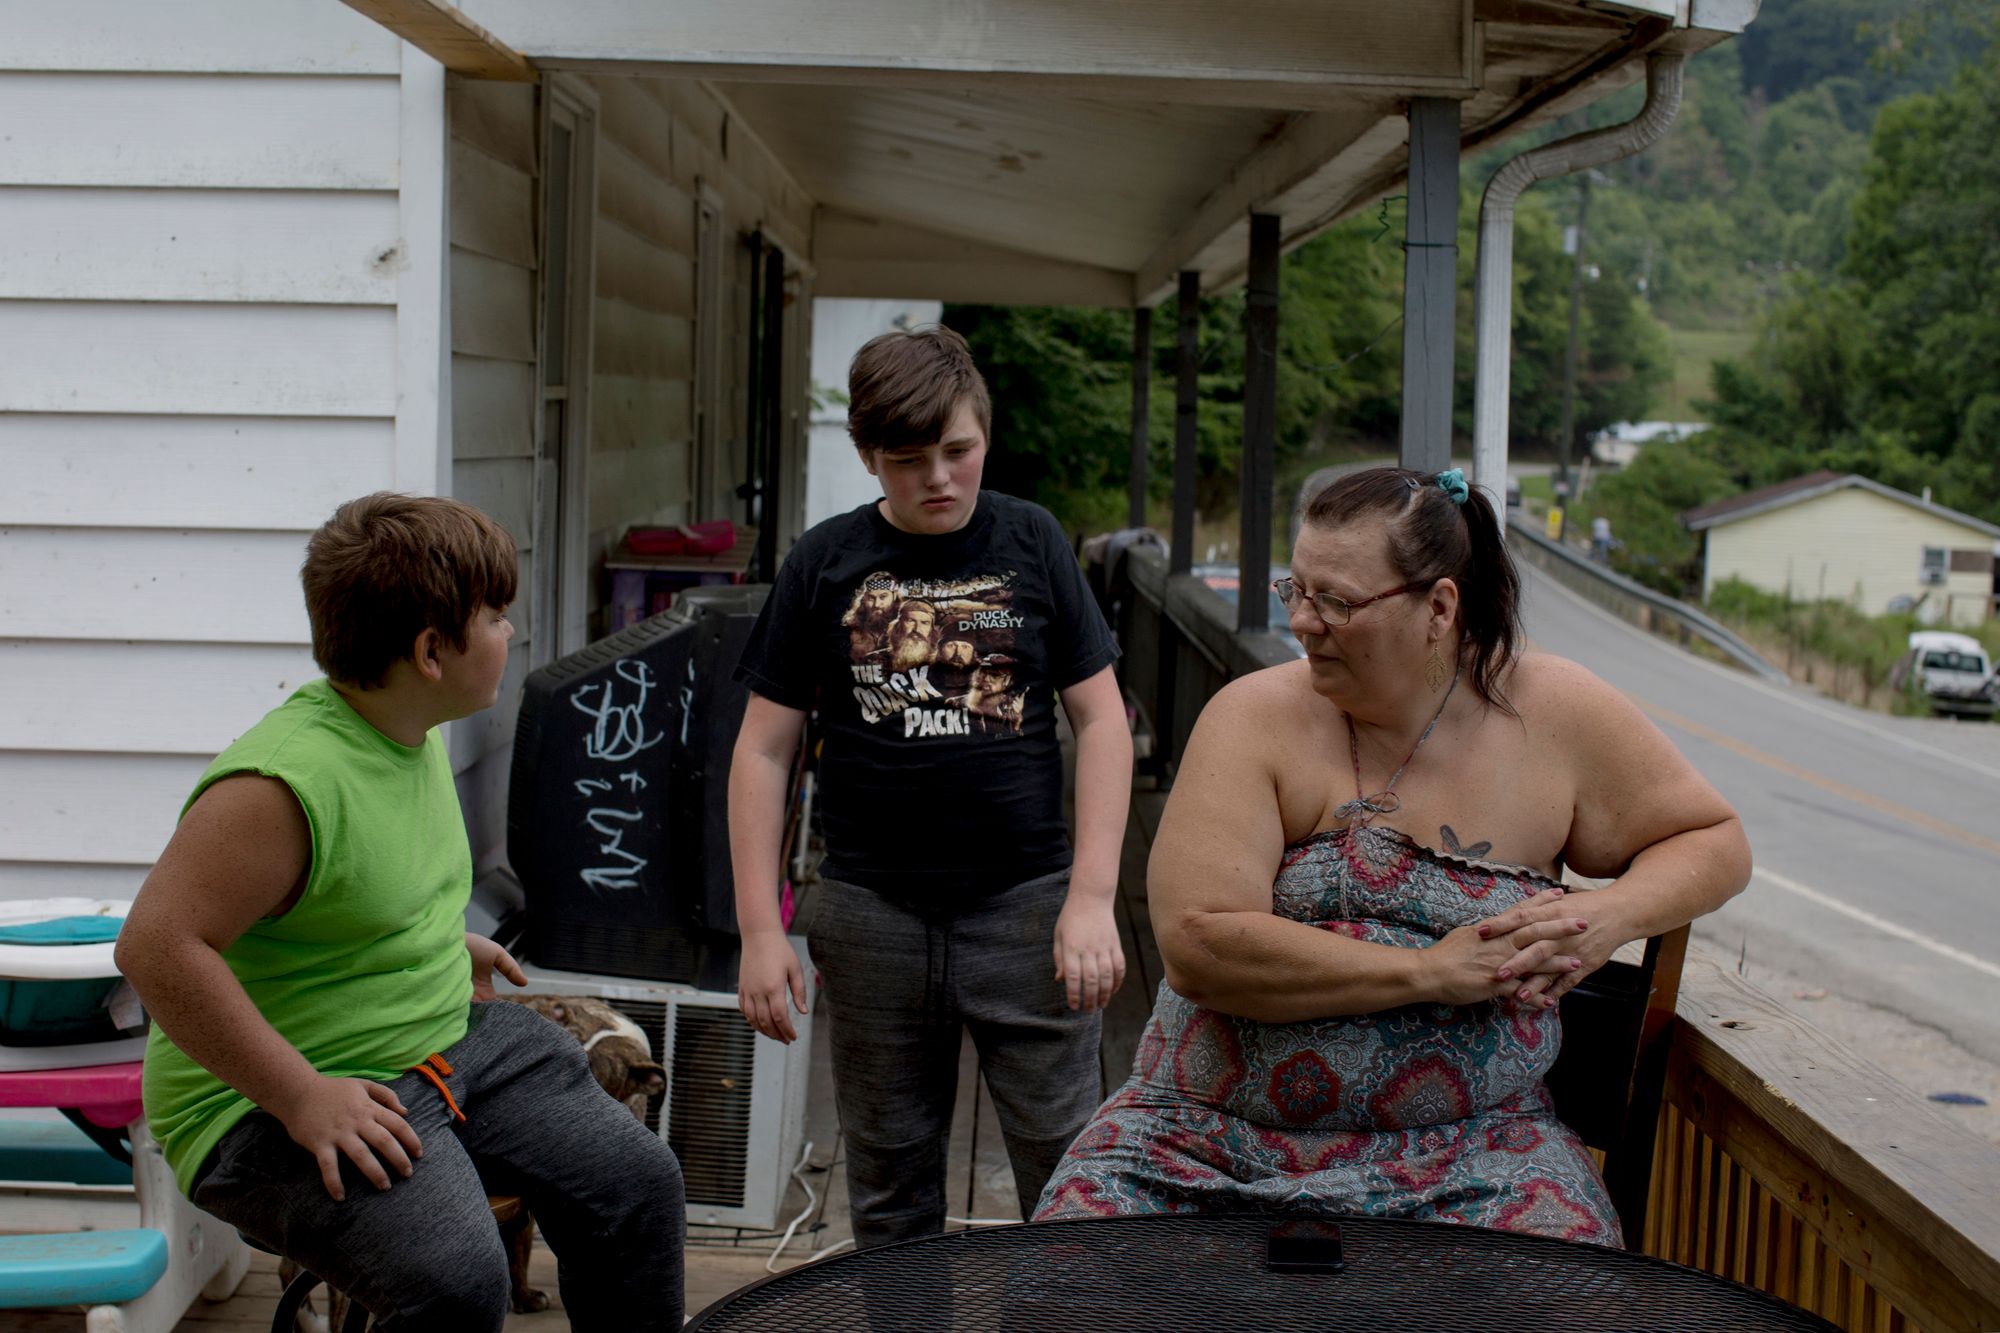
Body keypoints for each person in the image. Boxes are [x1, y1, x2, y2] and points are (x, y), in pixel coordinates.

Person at [1035, 466, 1749, 1246]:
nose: (1304, 623)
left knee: (1573, 1302)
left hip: (1479, 1157)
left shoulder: (1555, 714)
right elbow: (1199, 946)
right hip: (1201, 1144)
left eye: (1336, 601)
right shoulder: (1252, 718)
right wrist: (1426, 972)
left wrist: (1608, 914)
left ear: (1439, 606)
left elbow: (1716, 841)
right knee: (1065, 1285)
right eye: (1295, 590)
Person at [117, 494, 686, 1330]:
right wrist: (302, 1095)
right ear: (430, 650)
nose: (510, 629)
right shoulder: (280, 786)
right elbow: (156, 948)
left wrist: (441, 943)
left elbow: (340, 901)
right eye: (495, 614)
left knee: (636, 1185)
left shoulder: (404, 726)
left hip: (429, 1043)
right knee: (455, 1275)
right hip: (264, 1101)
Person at [729, 325, 1132, 1247]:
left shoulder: (1031, 539)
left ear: (984, 433)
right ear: (869, 456)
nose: (940, 478)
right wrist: (761, 926)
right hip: (872, 913)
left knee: (1071, 1173)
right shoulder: (823, 561)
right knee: (888, 1183)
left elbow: (1104, 720)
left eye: (959, 451)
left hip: (1029, 911)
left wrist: (1095, 897)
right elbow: (762, 752)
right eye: (909, 459)